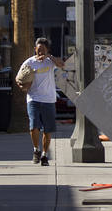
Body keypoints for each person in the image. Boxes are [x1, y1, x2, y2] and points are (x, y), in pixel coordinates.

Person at [18, 37, 64, 166]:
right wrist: (23, 86)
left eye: (43, 50)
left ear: (47, 50)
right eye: (38, 50)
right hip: (33, 99)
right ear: (35, 49)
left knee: (47, 130)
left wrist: (49, 57)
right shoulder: (29, 62)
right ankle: (36, 150)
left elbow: (62, 64)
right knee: (34, 126)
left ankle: (44, 154)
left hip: (48, 99)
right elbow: (19, 79)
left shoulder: (50, 62)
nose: (40, 53)